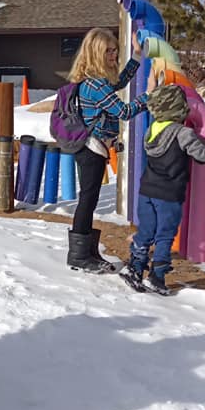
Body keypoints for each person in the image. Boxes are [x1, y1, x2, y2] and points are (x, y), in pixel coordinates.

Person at [120, 83, 205, 294]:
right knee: (165, 236)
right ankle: (157, 276)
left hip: (147, 191)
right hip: (169, 195)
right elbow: (203, 156)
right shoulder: (183, 133)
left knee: (146, 231)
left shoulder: (151, 130)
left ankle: (135, 268)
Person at [66, 27, 150, 273]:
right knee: (87, 199)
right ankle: (79, 255)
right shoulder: (95, 85)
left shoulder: (95, 81)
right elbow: (124, 111)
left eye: (115, 50)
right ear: (95, 53)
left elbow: (119, 82)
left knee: (89, 198)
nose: (113, 55)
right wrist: (149, 96)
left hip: (92, 147)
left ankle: (88, 252)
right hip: (91, 148)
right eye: (108, 52)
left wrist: (136, 56)